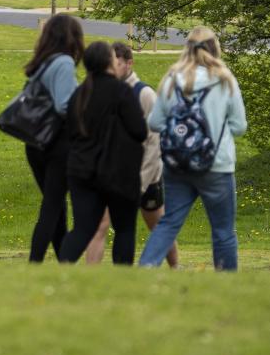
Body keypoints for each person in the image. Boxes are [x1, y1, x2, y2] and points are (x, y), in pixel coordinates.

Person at [138, 27, 248, 270]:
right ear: (215, 48)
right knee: (223, 231)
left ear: (186, 49)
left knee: (169, 223)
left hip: (177, 165)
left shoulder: (172, 79)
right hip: (216, 165)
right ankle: (227, 281)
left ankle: (145, 268)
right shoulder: (224, 79)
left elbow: (155, 123)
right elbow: (239, 126)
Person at [86, 42, 179, 267]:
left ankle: (176, 267)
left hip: (145, 177)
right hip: (113, 175)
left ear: (129, 63)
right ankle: (88, 275)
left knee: (157, 226)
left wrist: (141, 182)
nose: (111, 69)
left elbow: (153, 142)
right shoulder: (103, 90)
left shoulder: (144, 94)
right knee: (100, 225)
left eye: (116, 64)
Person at [59, 42, 148, 264]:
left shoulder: (79, 94)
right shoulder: (122, 92)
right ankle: (120, 276)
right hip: (118, 170)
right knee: (125, 228)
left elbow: (69, 131)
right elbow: (139, 130)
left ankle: (62, 268)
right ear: (109, 62)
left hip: (82, 169)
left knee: (83, 229)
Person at [20, 13, 85, 263]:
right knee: (52, 205)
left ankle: (64, 262)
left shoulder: (42, 63)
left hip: (35, 143)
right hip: (57, 144)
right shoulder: (64, 63)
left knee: (57, 207)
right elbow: (65, 105)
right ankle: (35, 261)